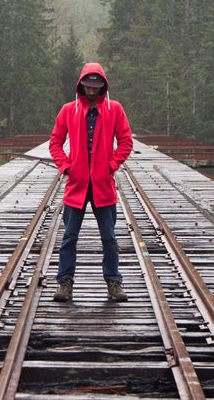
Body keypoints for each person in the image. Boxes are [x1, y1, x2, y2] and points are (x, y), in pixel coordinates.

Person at [48, 62, 133, 302]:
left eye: (96, 86)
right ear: (81, 85)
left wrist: (111, 165)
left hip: (103, 186)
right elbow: (55, 142)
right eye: (88, 86)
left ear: (103, 86)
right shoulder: (68, 110)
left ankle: (114, 283)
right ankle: (64, 283)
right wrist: (66, 167)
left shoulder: (114, 109)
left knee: (109, 238)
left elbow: (126, 142)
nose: (92, 90)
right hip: (76, 186)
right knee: (69, 238)